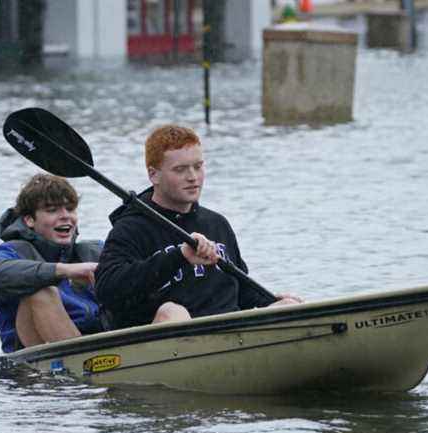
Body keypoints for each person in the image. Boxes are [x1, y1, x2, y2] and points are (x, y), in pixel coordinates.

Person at [95, 124, 301, 330]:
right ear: (153, 175)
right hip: (168, 341)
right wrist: (178, 257)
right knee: (172, 312)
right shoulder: (130, 228)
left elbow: (242, 292)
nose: (193, 177)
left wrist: (271, 301)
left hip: (231, 331)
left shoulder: (217, 223)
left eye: (198, 166)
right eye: (180, 169)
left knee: (288, 306)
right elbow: (106, 290)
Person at [0, 173, 103, 353]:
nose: (65, 216)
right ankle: (79, 363)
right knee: (42, 291)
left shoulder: (95, 251)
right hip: (32, 361)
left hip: (104, 344)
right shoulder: (13, 251)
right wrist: (65, 270)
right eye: (52, 210)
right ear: (29, 220)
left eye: (70, 209)